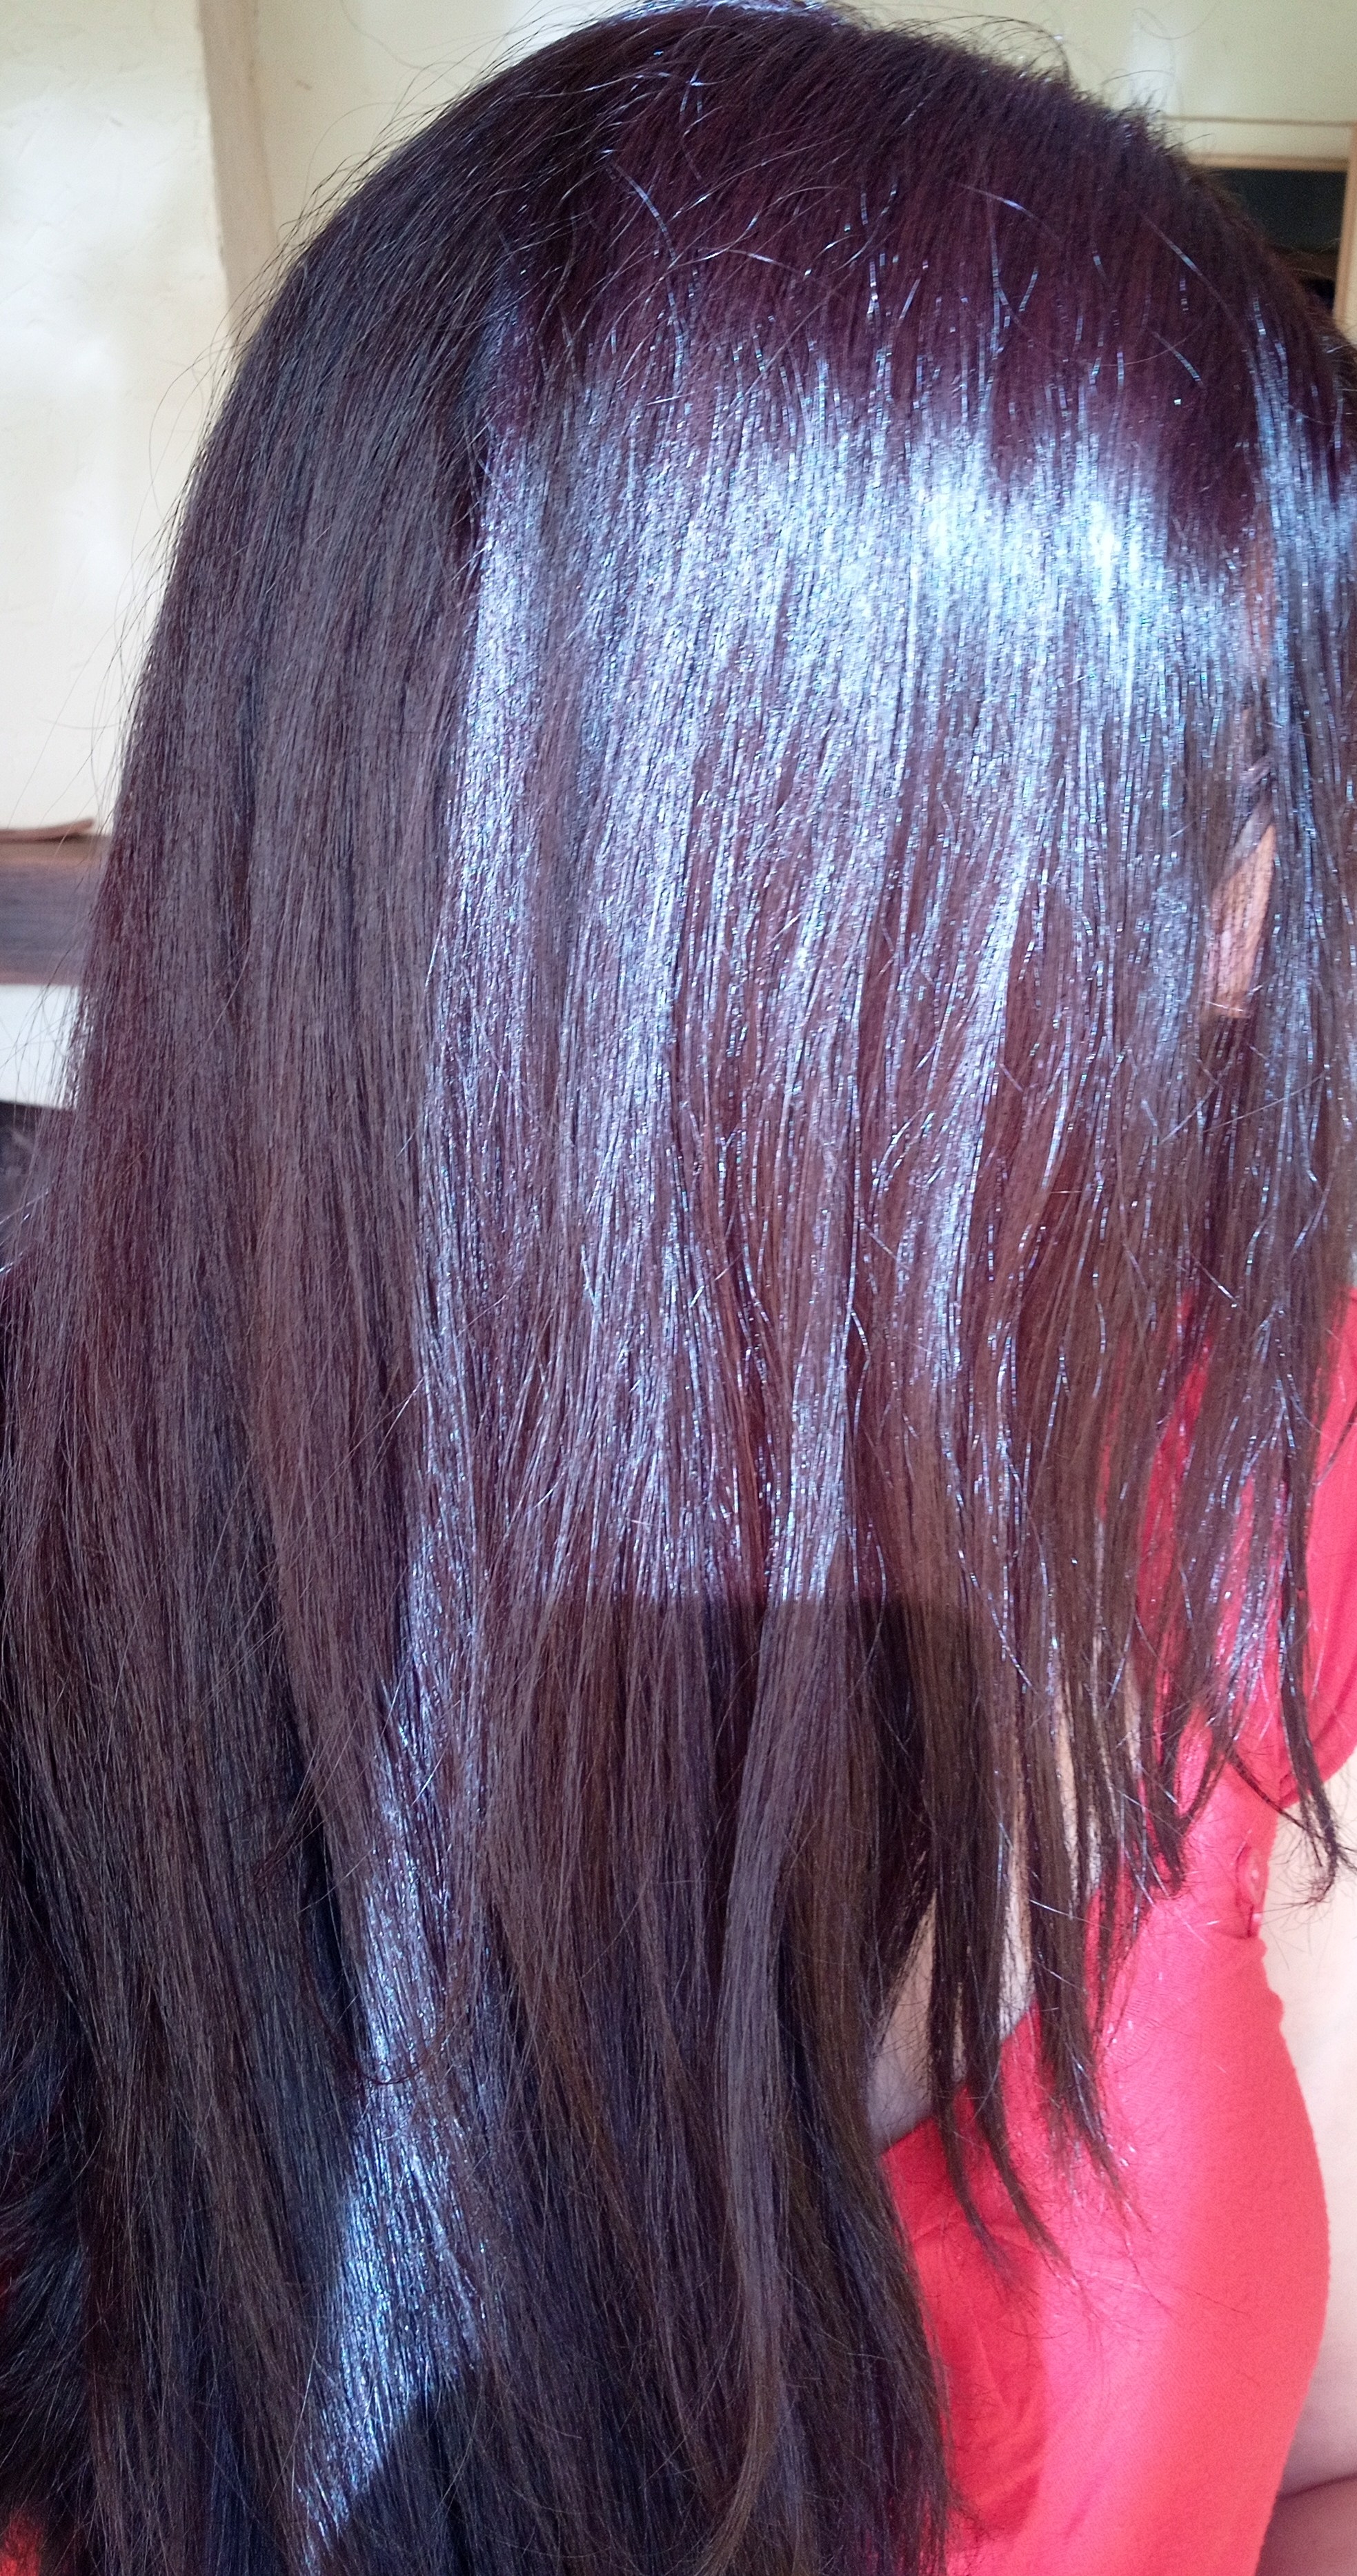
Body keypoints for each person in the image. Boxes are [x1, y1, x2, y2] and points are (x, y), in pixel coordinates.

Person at [0, 6, 1354, 2570]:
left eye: (1282, 798)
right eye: (1182, 799)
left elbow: (1316, 2439)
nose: (1248, 952)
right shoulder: (114, 1735)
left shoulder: (1255, 1445)